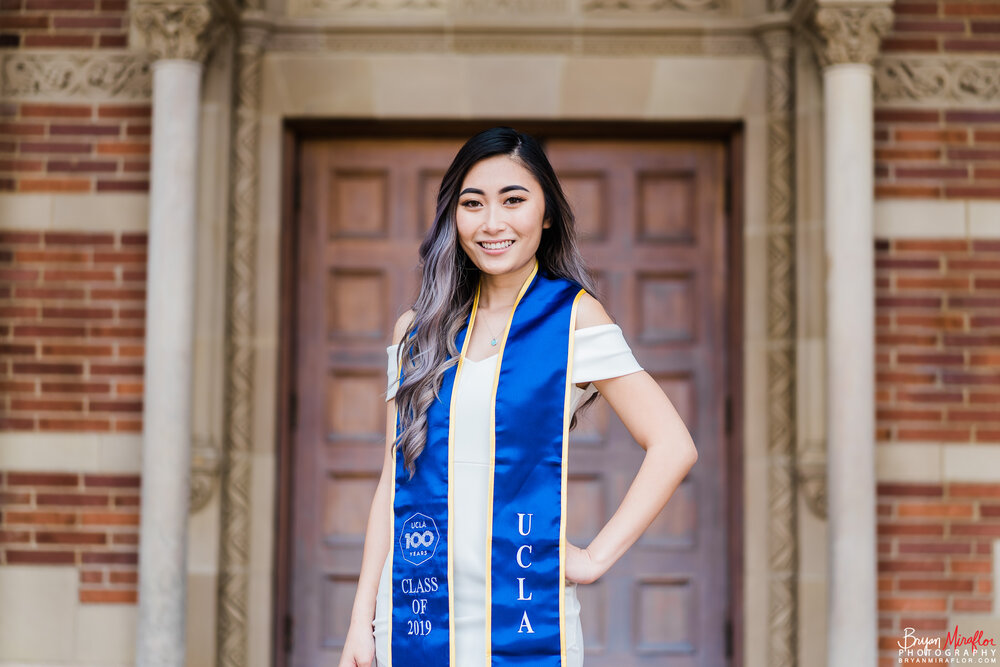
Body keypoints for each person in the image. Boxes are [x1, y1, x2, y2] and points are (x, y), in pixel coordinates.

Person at [338, 127, 699, 667]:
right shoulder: (418, 330)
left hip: (526, 616)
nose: (492, 223)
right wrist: (359, 620)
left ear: (547, 213)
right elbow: (393, 480)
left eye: (513, 200)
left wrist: (594, 558)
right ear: (452, 216)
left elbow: (673, 445)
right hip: (415, 613)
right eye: (473, 203)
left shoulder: (572, 318)